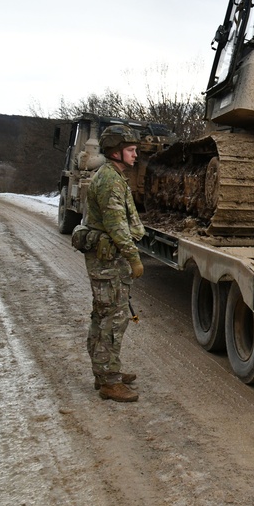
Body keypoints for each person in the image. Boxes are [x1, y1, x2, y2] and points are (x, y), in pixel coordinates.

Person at [82, 125, 146, 402]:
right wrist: (134, 258)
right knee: (113, 318)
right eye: (131, 150)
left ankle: (106, 371)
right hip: (109, 261)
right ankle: (109, 380)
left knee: (104, 315)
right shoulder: (109, 180)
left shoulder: (114, 176)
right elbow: (117, 226)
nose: (136, 155)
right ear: (116, 152)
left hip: (109, 259)